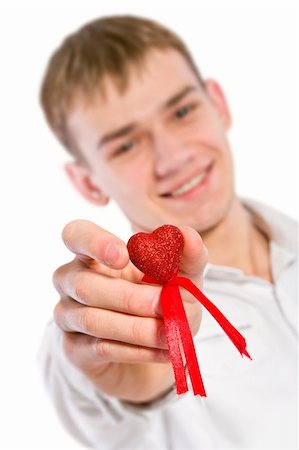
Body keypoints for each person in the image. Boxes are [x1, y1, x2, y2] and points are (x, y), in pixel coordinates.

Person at [39, 15, 298, 449]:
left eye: (181, 111)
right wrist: (126, 371)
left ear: (218, 103)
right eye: (126, 145)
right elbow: (85, 383)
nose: (173, 157)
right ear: (88, 182)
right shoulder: (118, 318)